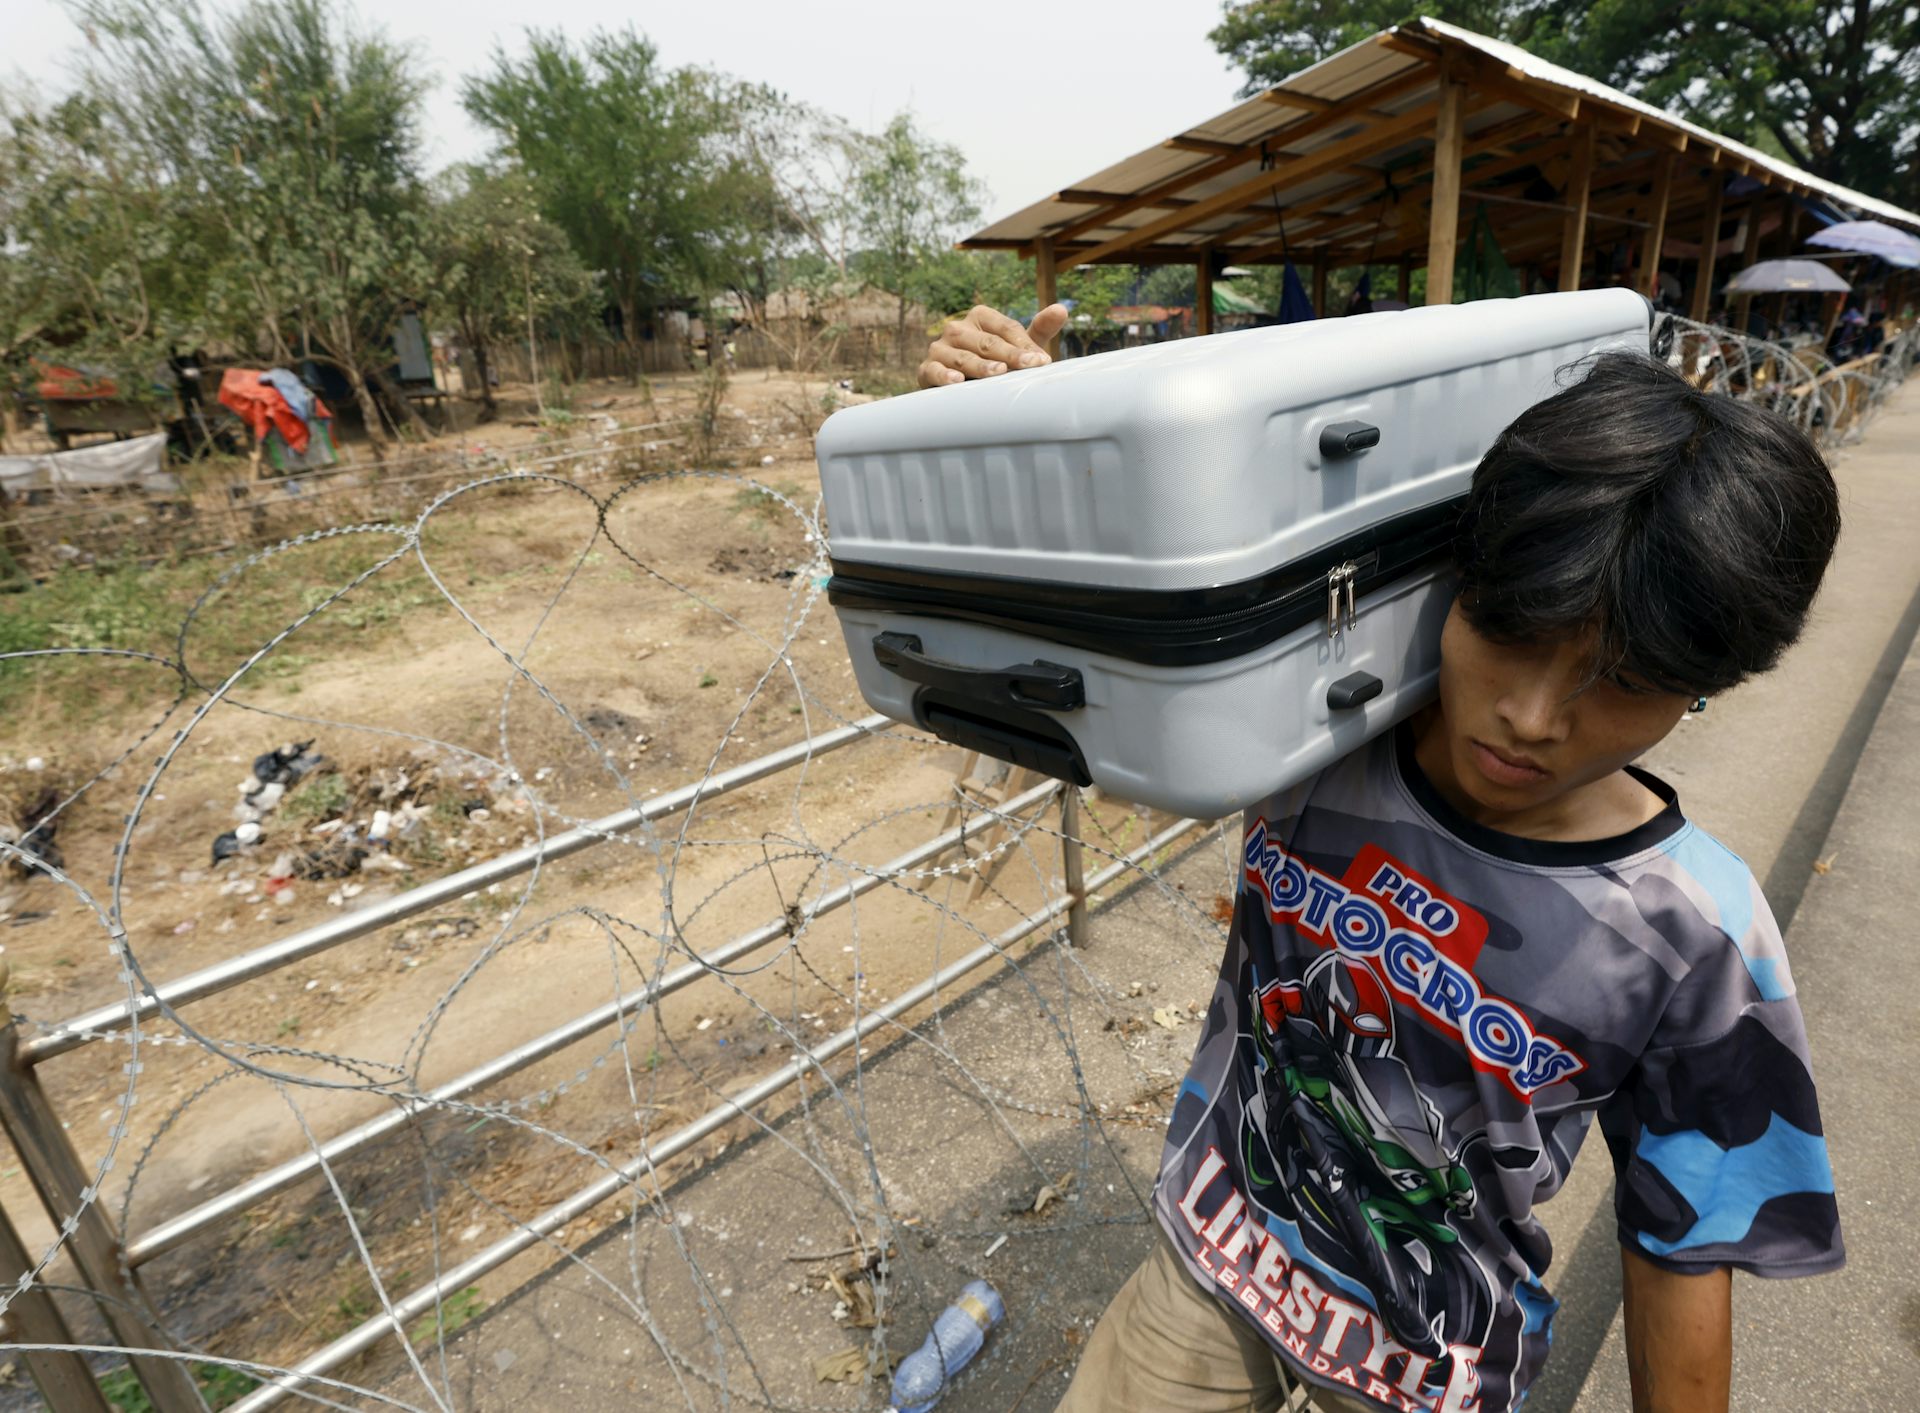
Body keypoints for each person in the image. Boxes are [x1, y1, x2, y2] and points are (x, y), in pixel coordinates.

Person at [917, 307, 1845, 1413]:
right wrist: (1029, 420)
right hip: (1213, 1256)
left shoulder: (1695, 931)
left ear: (1709, 682)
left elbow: (1685, 1236)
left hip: (1430, 1362)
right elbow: (1115, 630)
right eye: (1507, 627)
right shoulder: (1309, 743)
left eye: (1623, 680)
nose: (1532, 718)